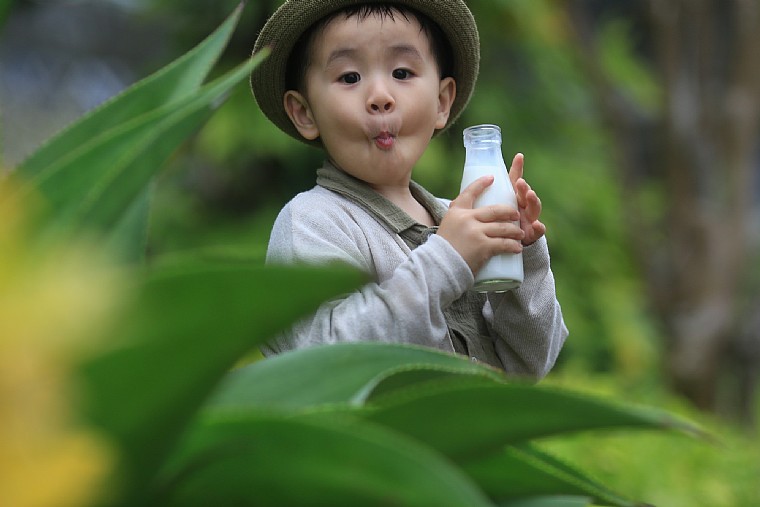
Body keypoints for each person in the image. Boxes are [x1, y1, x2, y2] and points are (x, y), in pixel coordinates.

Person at [250, 0, 568, 378]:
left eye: (402, 72)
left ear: (441, 102)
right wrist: (445, 261)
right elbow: (328, 362)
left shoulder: (459, 223)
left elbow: (529, 364)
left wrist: (523, 258)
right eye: (350, 77)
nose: (380, 96)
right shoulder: (311, 222)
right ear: (305, 113)